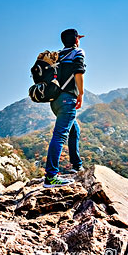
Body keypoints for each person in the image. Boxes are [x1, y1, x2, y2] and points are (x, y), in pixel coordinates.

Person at [43, 29, 86, 188]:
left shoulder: (57, 56)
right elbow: (78, 72)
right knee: (60, 135)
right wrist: (80, 94)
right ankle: (51, 177)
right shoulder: (77, 52)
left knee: (74, 130)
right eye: (78, 38)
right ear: (76, 40)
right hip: (68, 99)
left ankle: (76, 165)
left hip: (55, 101)